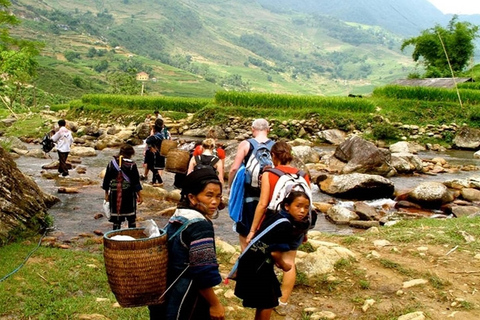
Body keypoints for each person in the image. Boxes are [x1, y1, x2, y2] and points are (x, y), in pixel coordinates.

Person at [148, 167, 225, 320]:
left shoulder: (178, 217)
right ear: (192, 197)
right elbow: (203, 270)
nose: (215, 201)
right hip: (187, 297)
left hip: (165, 290)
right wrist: (215, 304)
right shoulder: (200, 225)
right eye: (209, 195)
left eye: (218, 196)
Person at [246, 140, 311, 316]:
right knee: (290, 262)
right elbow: (307, 205)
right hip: (298, 225)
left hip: (277, 224)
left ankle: (269, 297)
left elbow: (262, 204)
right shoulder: (303, 174)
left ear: (273, 156)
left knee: (269, 261)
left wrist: (253, 230)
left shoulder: (270, 173)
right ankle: (282, 301)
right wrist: (305, 231)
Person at [234, 191, 311, 320]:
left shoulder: (278, 217)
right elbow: (275, 253)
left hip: (252, 260)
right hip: (258, 265)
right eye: (298, 206)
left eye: (306, 207)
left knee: (265, 299)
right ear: (287, 206)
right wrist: (285, 265)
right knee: (268, 302)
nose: (302, 211)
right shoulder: (286, 225)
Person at [228, 118, 273, 250]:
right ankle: (262, 256)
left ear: (252, 129)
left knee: (245, 227)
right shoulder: (275, 146)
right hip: (268, 194)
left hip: (248, 193)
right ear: (268, 130)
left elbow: (234, 169)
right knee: (264, 226)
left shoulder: (246, 144)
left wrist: (230, 186)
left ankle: (245, 255)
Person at [102, 144, 143, 230]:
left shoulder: (111, 164)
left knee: (116, 220)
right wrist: (140, 196)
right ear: (131, 154)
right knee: (131, 219)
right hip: (128, 195)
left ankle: (115, 237)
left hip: (114, 194)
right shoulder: (132, 165)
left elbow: (106, 181)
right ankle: (132, 235)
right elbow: (136, 182)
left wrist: (106, 195)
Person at [143, 118, 171, 185]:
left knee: (152, 168)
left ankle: (160, 181)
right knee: (154, 167)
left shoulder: (156, 136)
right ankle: (154, 181)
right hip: (159, 153)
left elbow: (148, 140)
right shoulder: (163, 134)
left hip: (154, 154)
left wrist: (150, 147)